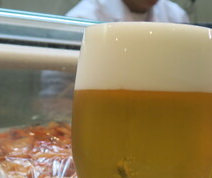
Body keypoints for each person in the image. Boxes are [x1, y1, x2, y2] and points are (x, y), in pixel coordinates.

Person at [37, 0, 190, 119]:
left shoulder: (175, 16)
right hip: (100, 119)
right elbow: (53, 97)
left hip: (161, 118)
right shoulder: (84, 17)